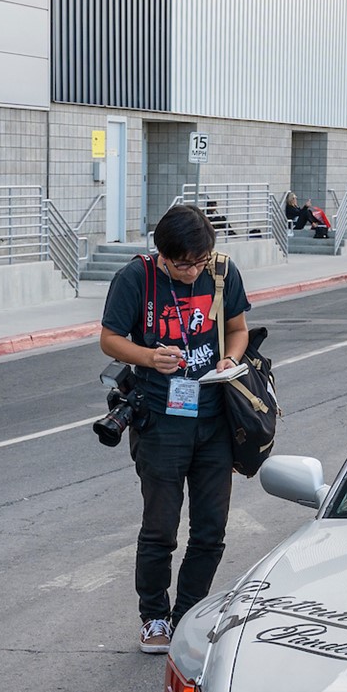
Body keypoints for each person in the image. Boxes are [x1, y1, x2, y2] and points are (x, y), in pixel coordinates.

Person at [98, 204, 250, 653]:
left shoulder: (221, 273)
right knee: (160, 528)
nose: (193, 272)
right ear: (163, 254)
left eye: (200, 262)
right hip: (160, 420)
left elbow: (239, 329)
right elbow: (109, 338)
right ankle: (154, 617)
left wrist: (231, 359)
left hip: (215, 419)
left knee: (210, 530)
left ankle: (187, 613)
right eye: (184, 264)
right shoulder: (137, 279)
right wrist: (149, 357)